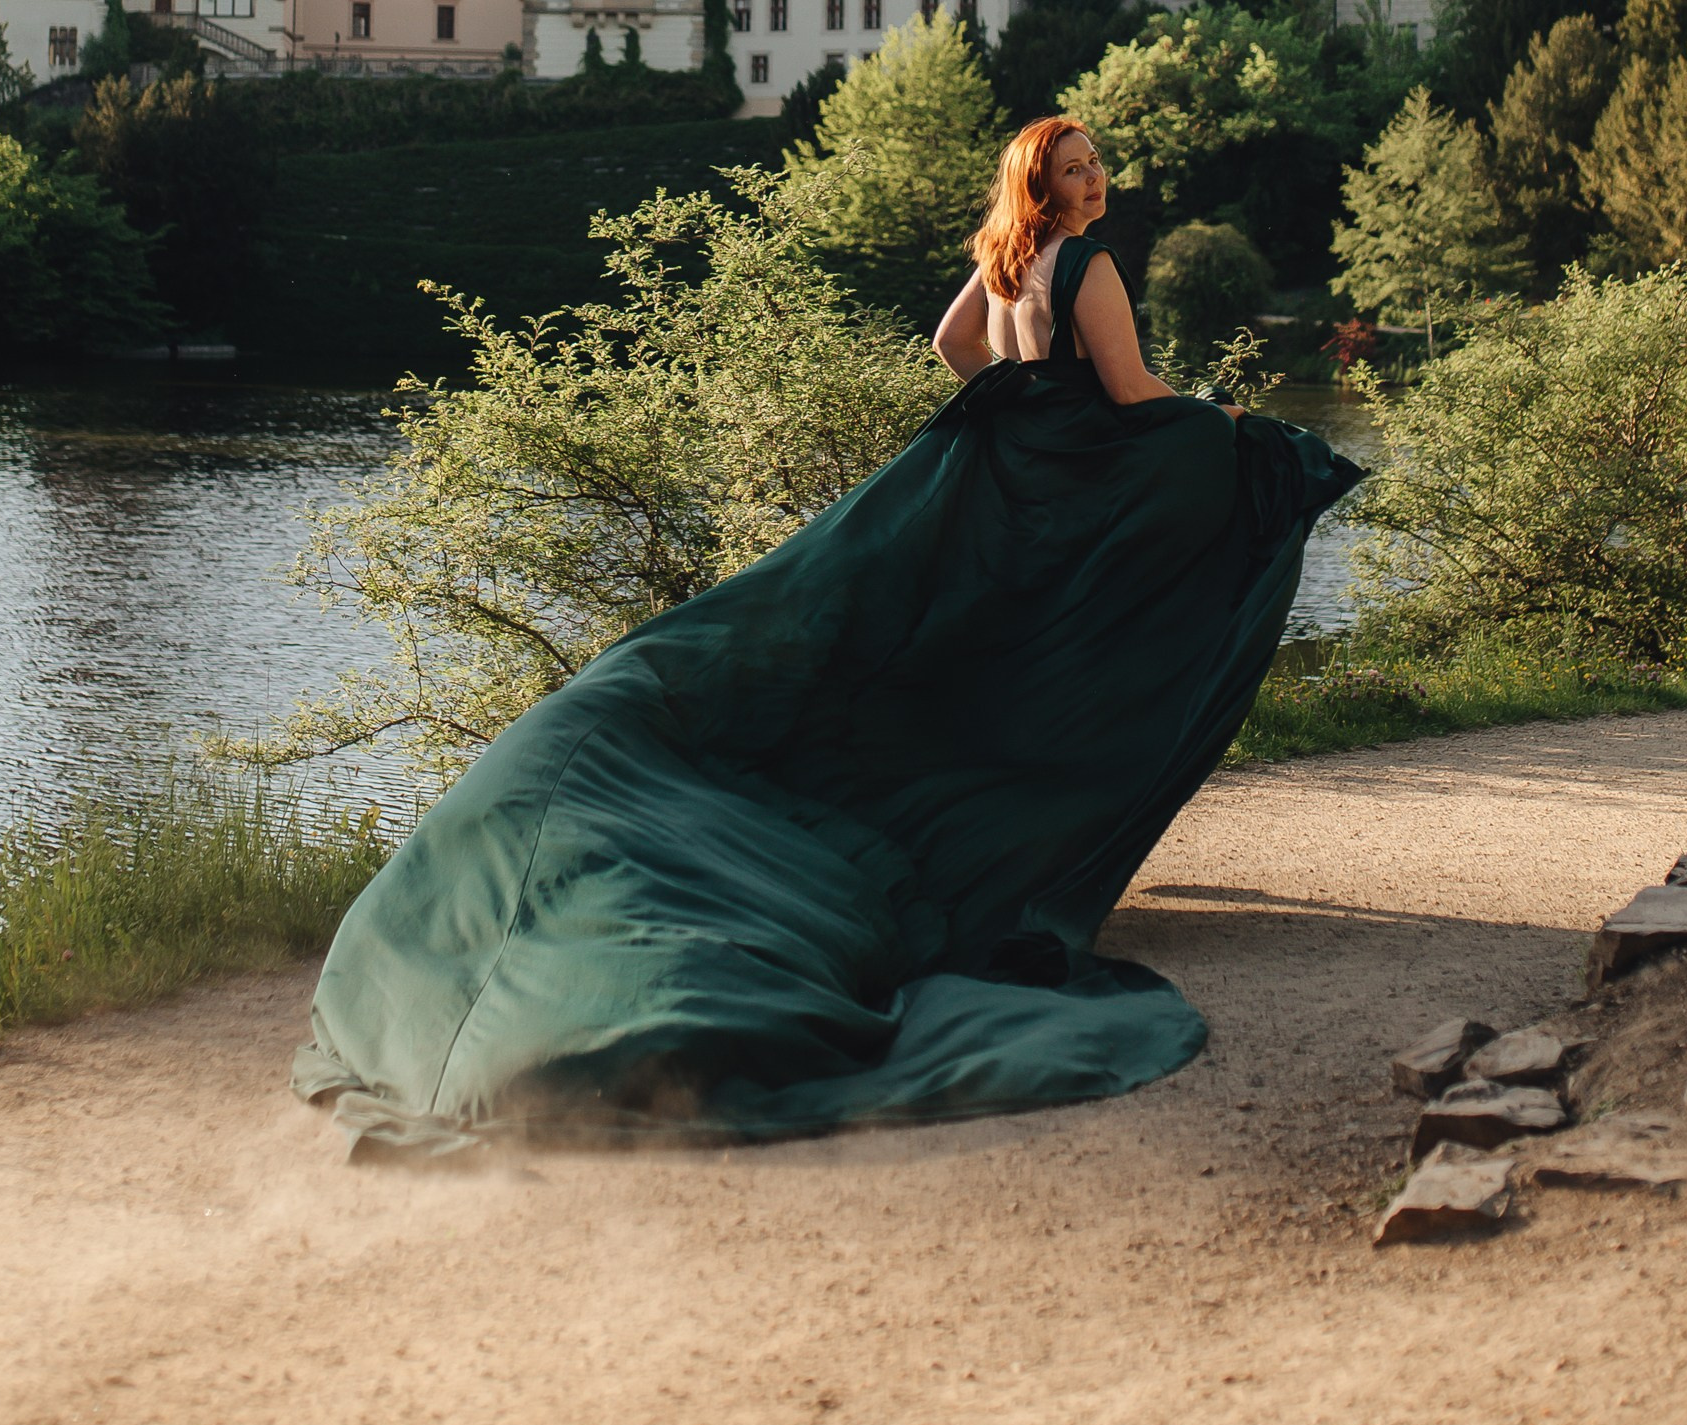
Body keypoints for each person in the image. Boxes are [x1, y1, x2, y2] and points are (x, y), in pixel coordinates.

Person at [294, 113, 1358, 1160]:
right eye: (1075, 170)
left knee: (932, 661)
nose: (1094, 180)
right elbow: (1131, 394)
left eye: (1094, 165)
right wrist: (1224, 423)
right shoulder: (1086, 262)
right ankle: (1007, 853)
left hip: (1006, 482)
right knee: (1062, 660)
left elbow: (951, 345)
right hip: (1069, 492)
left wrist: (1017, 409)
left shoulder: (1005, 257)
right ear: (1044, 188)